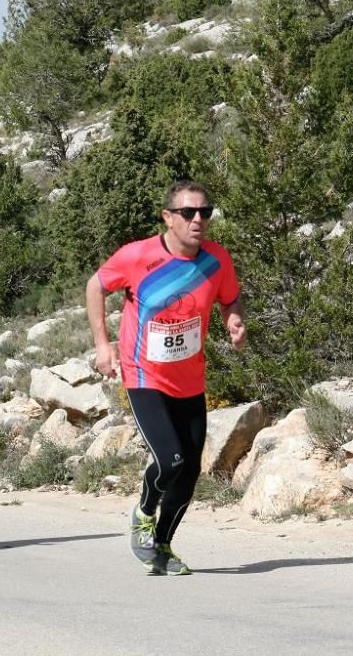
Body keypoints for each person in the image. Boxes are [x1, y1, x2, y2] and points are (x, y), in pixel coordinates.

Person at [86, 180, 247, 576]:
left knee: (190, 471)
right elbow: (95, 286)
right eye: (189, 213)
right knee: (170, 459)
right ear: (168, 217)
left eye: (205, 213)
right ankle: (142, 511)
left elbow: (230, 298)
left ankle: (163, 545)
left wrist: (234, 319)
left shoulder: (216, 260)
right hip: (145, 375)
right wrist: (102, 346)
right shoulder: (137, 256)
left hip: (190, 379)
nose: (198, 220)